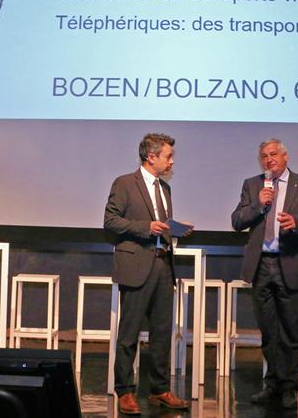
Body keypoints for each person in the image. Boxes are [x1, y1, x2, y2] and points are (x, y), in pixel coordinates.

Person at [231, 138, 298, 409]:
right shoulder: (253, 185)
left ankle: (288, 387)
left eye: (273, 154)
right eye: (264, 155)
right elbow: (237, 221)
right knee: (268, 331)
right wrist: (257, 205)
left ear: (285, 157)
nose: (268, 159)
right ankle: (272, 384)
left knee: (290, 331)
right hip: (261, 265)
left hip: (291, 264)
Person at [104, 133, 190, 415]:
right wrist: (147, 227)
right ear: (151, 157)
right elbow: (111, 220)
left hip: (163, 264)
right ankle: (125, 391)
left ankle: (159, 389)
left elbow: (161, 225)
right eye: (168, 156)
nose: (172, 161)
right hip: (137, 264)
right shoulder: (124, 183)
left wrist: (174, 229)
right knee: (129, 333)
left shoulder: (165, 188)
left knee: (162, 333)